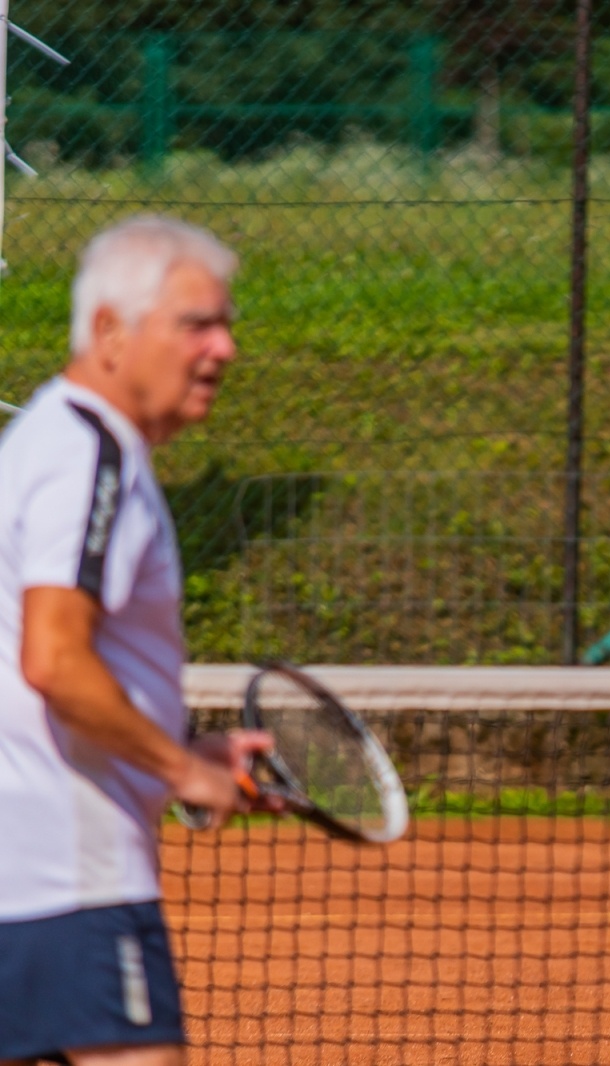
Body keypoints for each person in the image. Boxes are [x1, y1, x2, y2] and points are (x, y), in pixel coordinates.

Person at [0, 216, 273, 1066]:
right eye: (197, 324)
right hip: (72, 879)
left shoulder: (50, 438)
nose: (224, 349)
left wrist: (181, 744)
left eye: (226, 324)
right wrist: (182, 768)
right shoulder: (90, 454)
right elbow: (54, 657)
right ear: (111, 332)